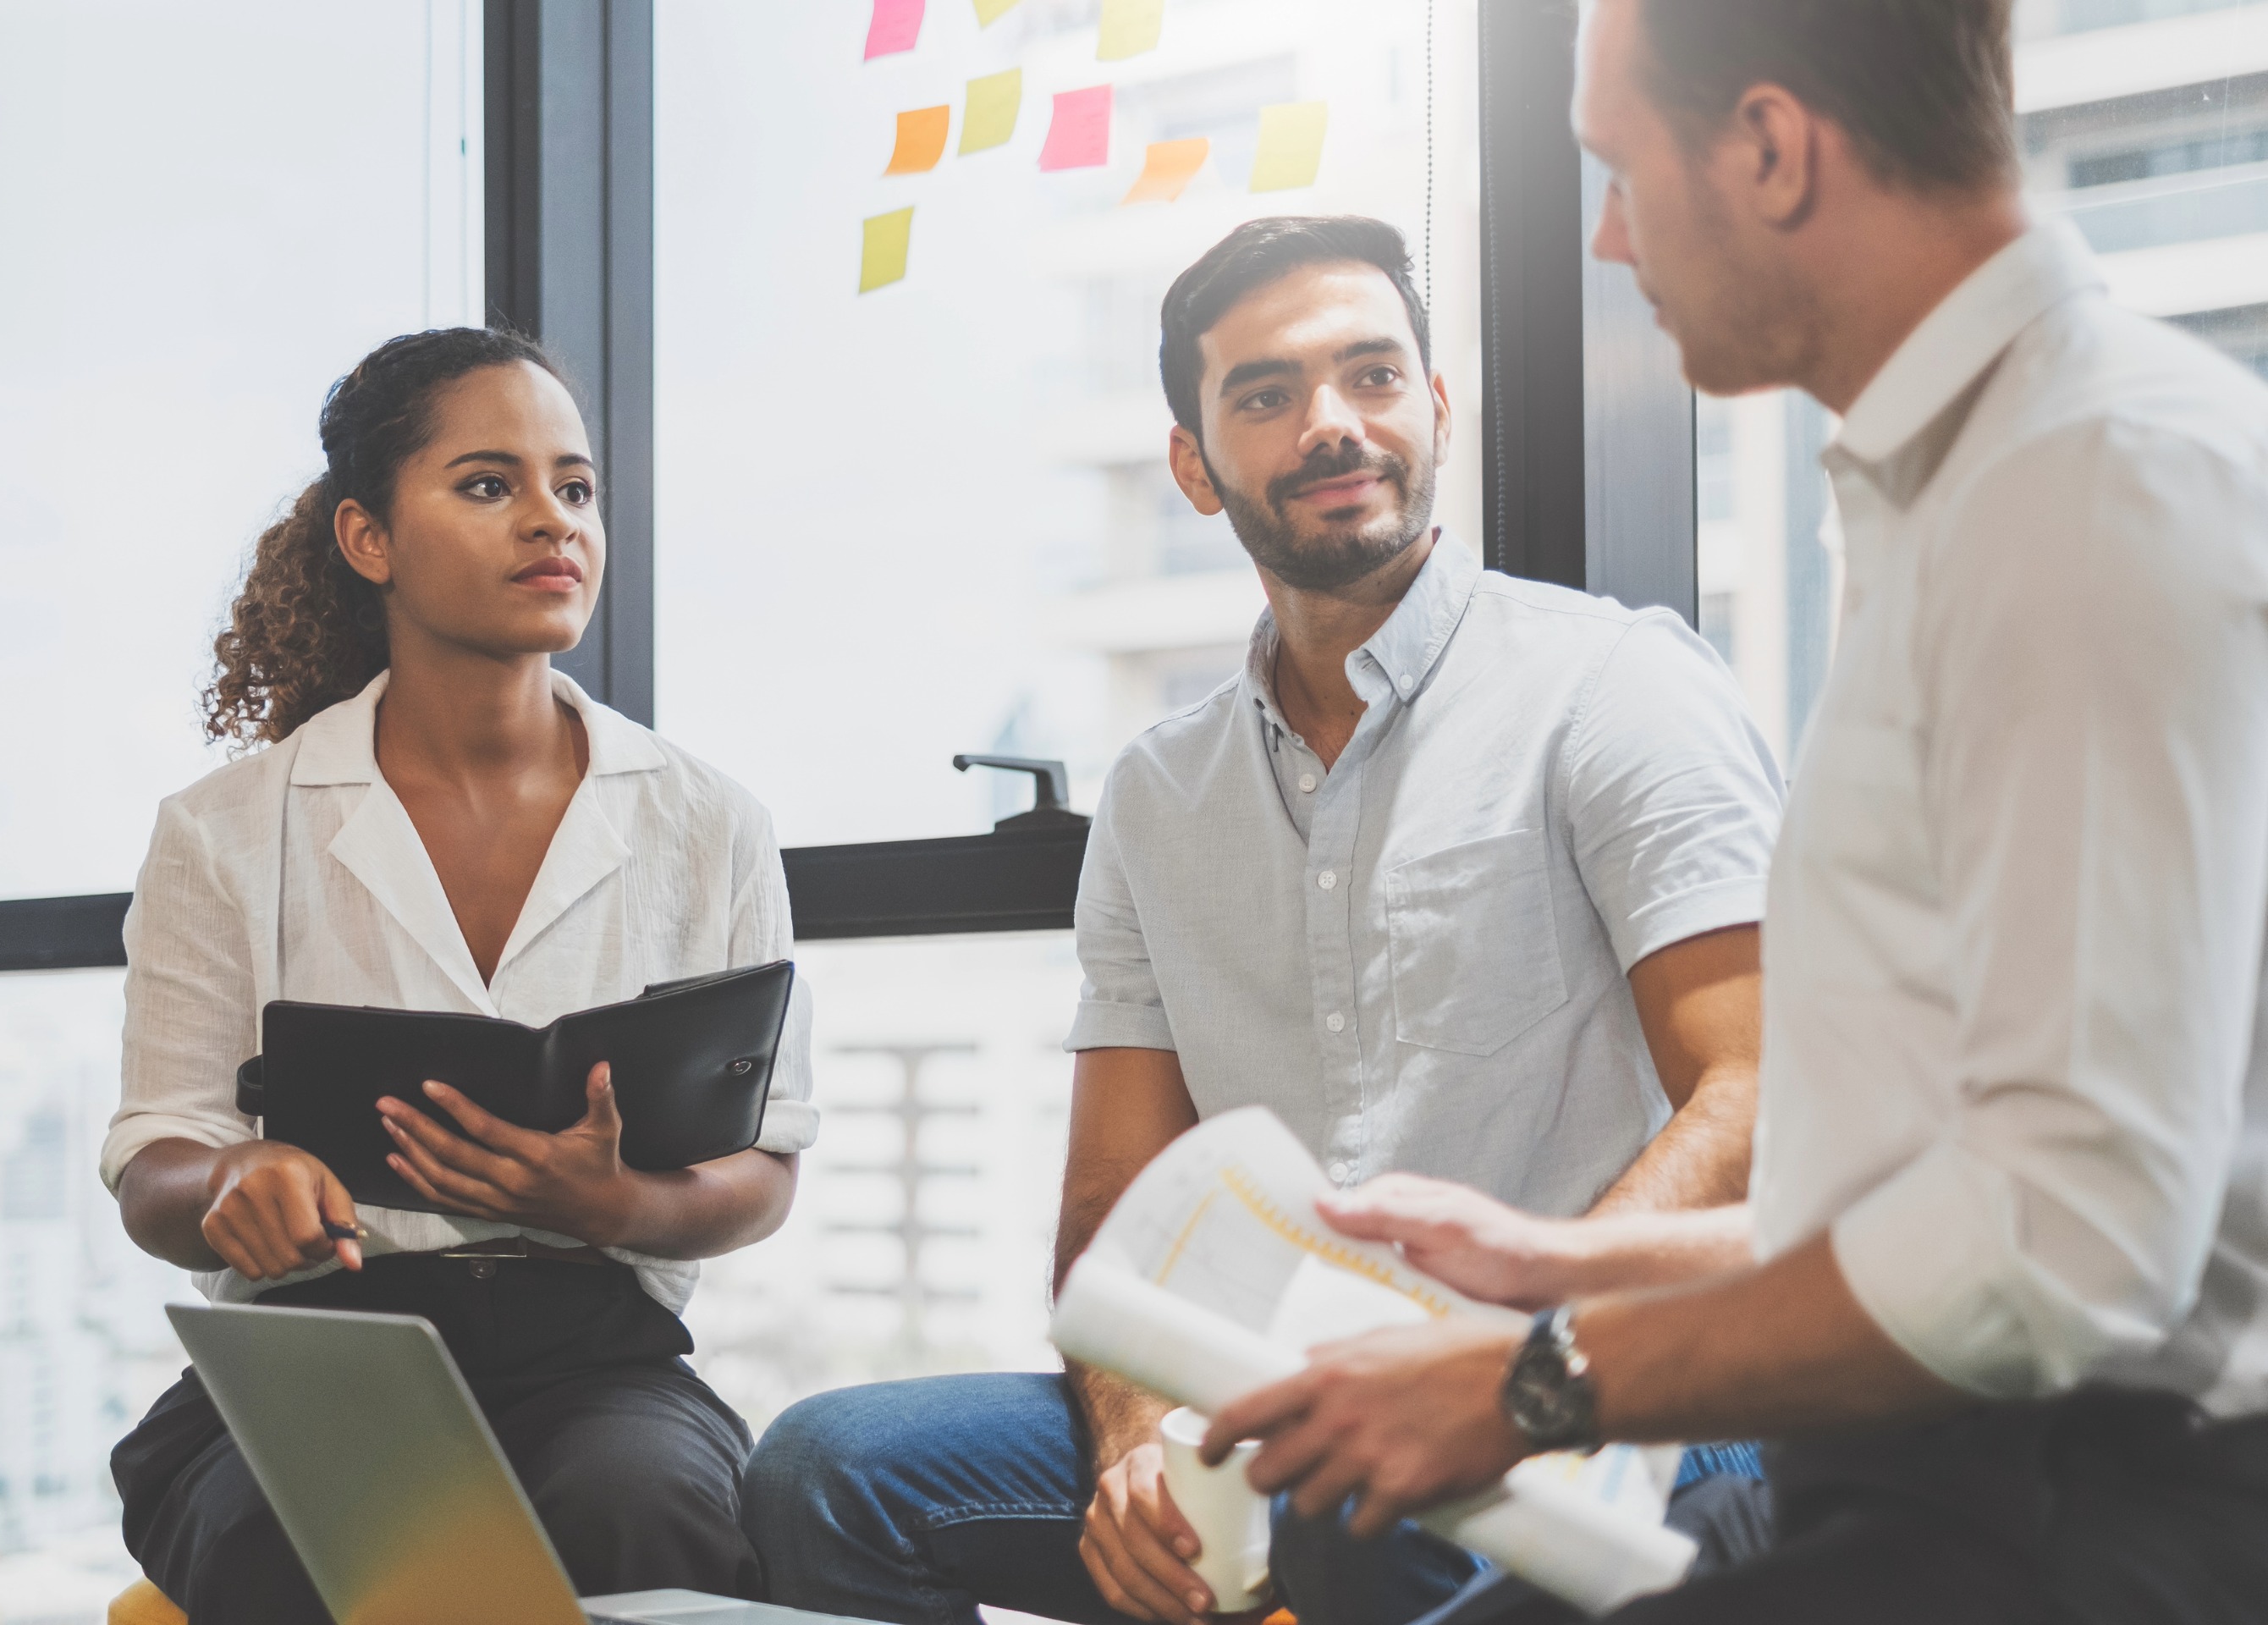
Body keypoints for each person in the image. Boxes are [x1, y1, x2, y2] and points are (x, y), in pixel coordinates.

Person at [1197, 3, 2268, 1620]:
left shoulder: (2090, 489)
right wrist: (1553, 1262)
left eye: (1621, 172)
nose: (1612, 237)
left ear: (1770, 151)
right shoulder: (1948, 492)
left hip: (2100, 1505)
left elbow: (2063, 1250)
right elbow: (1937, 1199)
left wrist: (1531, 1379)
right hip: (1960, 1462)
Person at [743, 216, 1784, 1625]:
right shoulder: (1159, 796)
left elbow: (1755, 1095)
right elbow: (1115, 1203)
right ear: (1193, 464)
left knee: (1351, 1518)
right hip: (1287, 1404)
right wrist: (1130, 1443)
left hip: (1613, 1380)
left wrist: (1506, 1361)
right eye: (1267, 395)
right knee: (832, 1472)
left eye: (1371, 375)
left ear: (1435, 406)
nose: (1333, 425)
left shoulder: (1612, 688)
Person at [102, 328, 817, 1625]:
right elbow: (155, 1163)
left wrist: (619, 1205)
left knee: (646, 1512)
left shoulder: (710, 822)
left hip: (597, 1356)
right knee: (289, 1535)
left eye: (576, 487)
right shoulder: (224, 829)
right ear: (369, 539)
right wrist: (228, 1179)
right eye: (490, 484)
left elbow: (763, 1170)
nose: (553, 521)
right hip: (317, 1351)